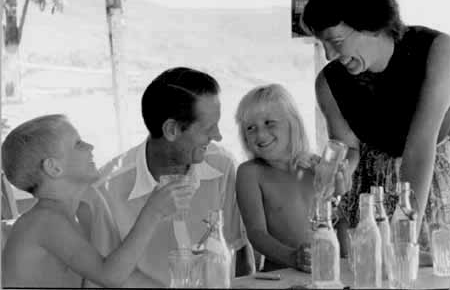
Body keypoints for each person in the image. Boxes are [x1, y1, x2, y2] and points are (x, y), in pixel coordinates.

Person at [302, 0, 450, 257]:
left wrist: (404, 240)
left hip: (432, 183)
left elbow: (419, 148)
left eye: (335, 41)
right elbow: (347, 147)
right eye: (322, 44)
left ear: (370, 23)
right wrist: (339, 169)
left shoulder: (439, 51)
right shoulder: (328, 83)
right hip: (375, 194)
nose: (328, 55)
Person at [77, 67, 254, 288]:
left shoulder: (223, 167)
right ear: (171, 130)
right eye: (208, 128)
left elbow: (238, 253)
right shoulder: (105, 191)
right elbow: (99, 282)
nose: (217, 135)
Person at [1, 114, 193, 288]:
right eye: (78, 143)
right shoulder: (44, 222)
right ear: (54, 168)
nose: (90, 147)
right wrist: (153, 212)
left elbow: (123, 275)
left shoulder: (75, 215)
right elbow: (109, 276)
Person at [235, 84, 347, 272]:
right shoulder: (250, 173)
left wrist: (341, 189)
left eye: (269, 123)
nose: (260, 134)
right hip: (281, 274)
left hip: (326, 270)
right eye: (250, 128)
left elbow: (340, 219)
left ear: (292, 124)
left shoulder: (317, 168)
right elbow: (257, 234)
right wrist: (293, 258)